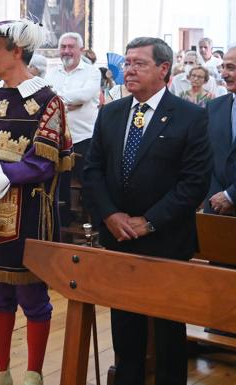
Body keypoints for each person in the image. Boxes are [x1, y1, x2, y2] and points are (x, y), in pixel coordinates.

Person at [83, 37, 212, 385]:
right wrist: (110, 215)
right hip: (119, 237)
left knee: (169, 331)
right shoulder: (111, 112)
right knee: (126, 328)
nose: (129, 69)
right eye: (127, 63)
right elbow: (92, 169)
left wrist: (150, 221)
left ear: (164, 69)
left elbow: (194, 182)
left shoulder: (191, 117)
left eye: (139, 63)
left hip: (167, 239)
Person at [0, 19, 73, 385]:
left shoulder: (47, 101)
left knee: (33, 297)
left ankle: (34, 372)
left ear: (16, 51)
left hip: (31, 217)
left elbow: (45, 161)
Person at [45, 32, 101, 225]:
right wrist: (69, 101)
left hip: (83, 137)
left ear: (81, 50)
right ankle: (64, 222)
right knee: (60, 184)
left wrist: (58, 100)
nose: (66, 51)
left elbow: (85, 95)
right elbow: (45, 97)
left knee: (88, 182)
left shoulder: (92, 72)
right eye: (63, 47)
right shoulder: (52, 73)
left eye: (71, 47)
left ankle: (91, 225)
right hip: (58, 138)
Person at [205, 46, 236, 216]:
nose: (223, 74)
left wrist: (231, 195)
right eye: (222, 67)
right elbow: (207, 156)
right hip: (216, 208)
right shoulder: (214, 107)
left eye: (231, 67)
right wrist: (217, 196)